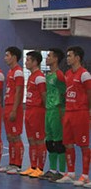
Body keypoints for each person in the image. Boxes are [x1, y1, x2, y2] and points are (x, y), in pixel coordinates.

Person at [56, 46, 91, 186]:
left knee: (83, 145)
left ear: (77, 58)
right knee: (68, 144)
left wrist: (89, 110)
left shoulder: (85, 74)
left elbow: (90, 93)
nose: (67, 58)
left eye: (70, 55)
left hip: (80, 113)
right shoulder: (68, 74)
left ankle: (85, 176)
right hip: (69, 113)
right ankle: (71, 173)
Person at [40, 48, 66, 182]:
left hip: (57, 110)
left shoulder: (60, 75)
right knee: (49, 142)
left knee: (58, 142)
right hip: (48, 110)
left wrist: (62, 110)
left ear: (56, 59)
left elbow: (64, 93)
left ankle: (61, 171)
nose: (47, 58)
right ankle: (51, 169)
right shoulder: (48, 75)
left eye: (49, 56)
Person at [21, 51, 47, 178]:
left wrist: (45, 111)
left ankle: (40, 168)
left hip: (37, 111)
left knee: (39, 140)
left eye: (28, 60)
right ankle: (32, 166)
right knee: (31, 140)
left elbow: (44, 95)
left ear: (35, 62)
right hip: (29, 111)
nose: (26, 62)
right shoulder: (31, 76)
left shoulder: (39, 77)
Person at [0, 47, 25, 174]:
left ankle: (18, 165)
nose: (5, 58)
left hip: (14, 107)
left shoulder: (18, 72)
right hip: (8, 105)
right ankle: (11, 163)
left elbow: (19, 92)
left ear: (14, 57)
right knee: (10, 137)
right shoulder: (10, 72)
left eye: (7, 55)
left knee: (15, 136)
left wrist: (14, 110)